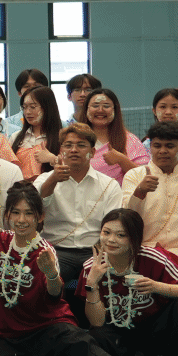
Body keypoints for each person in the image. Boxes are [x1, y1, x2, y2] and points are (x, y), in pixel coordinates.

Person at [0, 185, 160, 356]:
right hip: (9, 336)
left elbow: (54, 292)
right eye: (15, 212)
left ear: (40, 217)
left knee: (80, 350)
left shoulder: (46, 251)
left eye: (29, 213)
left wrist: (51, 274)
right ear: (7, 215)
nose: (21, 220)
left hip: (48, 328)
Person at [80, 207, 178, 356]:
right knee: (98, 333)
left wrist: (156, 286)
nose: (111, 240)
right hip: (119, 335)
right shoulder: (92, 266)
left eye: (121, 235)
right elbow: (96, 322)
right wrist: (92, 283)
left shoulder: (153, 257)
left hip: (154, 331)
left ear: (134, 239)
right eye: (106, 232)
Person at [35, 123, 124, 295]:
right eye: (68, 145)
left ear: (92, 152)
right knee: (42, 282)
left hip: (95, 251)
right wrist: (53, 180)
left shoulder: (109, 185)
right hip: (56, 249)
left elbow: (114, 226)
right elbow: (35, 209)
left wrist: (101, 254)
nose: (74, 150)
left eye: (81, 145)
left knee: (111, 282)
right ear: (61, 151)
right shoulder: (45, 179)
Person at [123, 122, 178, 254]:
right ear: (150, 147)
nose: (162, 151)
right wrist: (140, 192)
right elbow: (125, 221)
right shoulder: (135, 176)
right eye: (157, 146)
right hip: (145, 254)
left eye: (169, 146)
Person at [83, 90, 146, 180]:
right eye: (95, 106)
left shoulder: (130, 140)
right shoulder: (75, 139)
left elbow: (145, 176)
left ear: (115, 110)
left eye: (106, 106)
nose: (100, 110)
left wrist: (122, 160)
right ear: (86, 109)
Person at [9, 85, 65, 181]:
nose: (27, 112)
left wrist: (53, 159)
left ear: (47, 107)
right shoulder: (16, 137)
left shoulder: (62, 137)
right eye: (24, 107)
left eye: (33, 107)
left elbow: (72, 171)